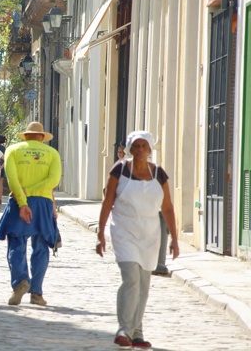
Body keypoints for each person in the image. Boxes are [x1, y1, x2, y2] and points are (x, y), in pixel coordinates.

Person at [96, 130, 180, 348]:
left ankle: (137, 331)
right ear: (130, 149)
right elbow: (108, 201)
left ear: (150, 149)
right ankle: (124, 329)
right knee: (131, 278)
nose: (140, 150)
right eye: (136, 146)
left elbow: (168, 208)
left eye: (144, 146)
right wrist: (100, 233)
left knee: (143, 284)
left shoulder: (158, 174)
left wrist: (175, 239)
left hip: (150, 233)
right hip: (124, 229)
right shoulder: (120, 169)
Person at [0, 122, 61, 307]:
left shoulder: (13, 150)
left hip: (17, 202)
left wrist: (23, 199)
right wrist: (34, 193)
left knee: (16, 243)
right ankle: (36, 293)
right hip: (43, 203)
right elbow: (53, 181)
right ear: (41, 137)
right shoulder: (52, 154)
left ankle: (20, 281)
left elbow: (12, 179)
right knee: (41, 247)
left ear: (26, 135)